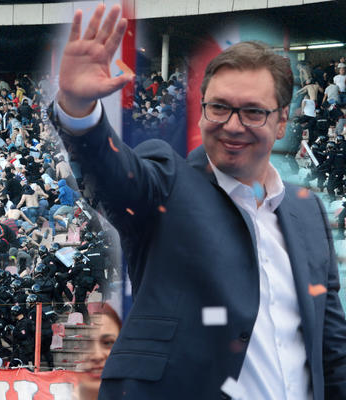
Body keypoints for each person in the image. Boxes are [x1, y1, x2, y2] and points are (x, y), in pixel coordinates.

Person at [52, 4, 346, 399]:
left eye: (253, 112)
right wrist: (79, 111)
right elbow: (112, 176)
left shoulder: (307, 212)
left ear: (281, 123)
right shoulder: (167, 184)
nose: (233, 125)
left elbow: (332, 350)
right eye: (219, 107)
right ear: (203, 109)